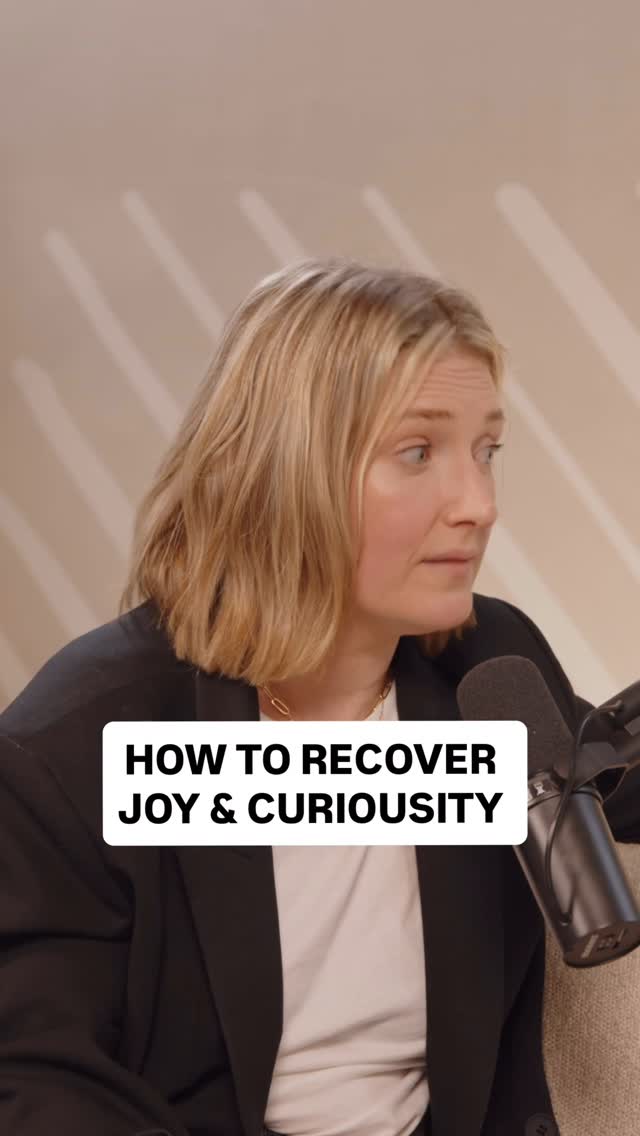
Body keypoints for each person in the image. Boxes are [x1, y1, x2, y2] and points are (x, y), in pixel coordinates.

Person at [0, 258, 638, 1136]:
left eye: (486, 451)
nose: (479, 504)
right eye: (417, 452)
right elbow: (38, 1078)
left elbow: (604, 796)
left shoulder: (486, 667)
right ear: (283, 469)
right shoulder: (79, 744)